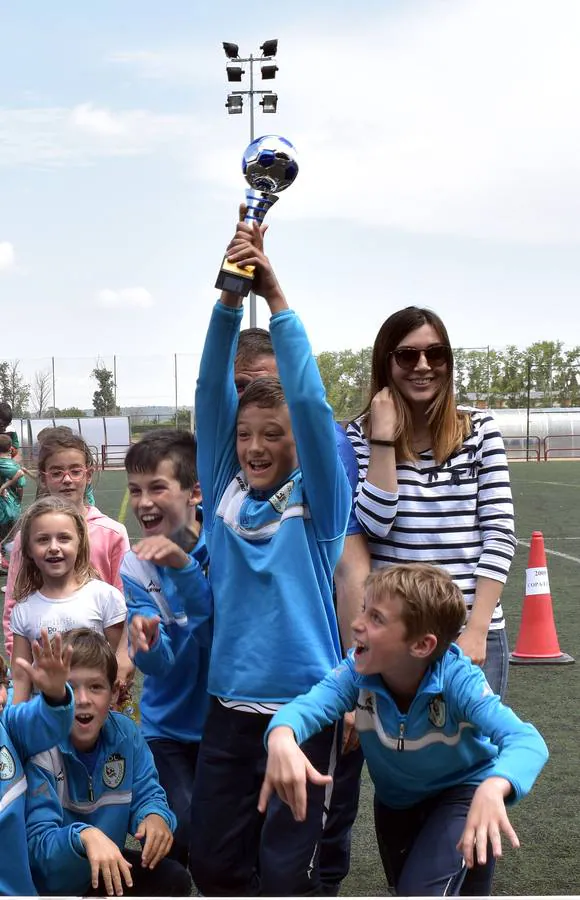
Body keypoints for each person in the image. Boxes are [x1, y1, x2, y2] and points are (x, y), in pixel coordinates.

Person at [189, 217, 351, 896]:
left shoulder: (319, 508)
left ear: (297, 444)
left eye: (273, 435)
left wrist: (277, 297)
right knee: (214, 865)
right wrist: (230, 297)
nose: (255, 446)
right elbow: (207, 393)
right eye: (246, 434)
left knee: (289, 875)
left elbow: (310, 403)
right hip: (228, 708)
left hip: (306, 710)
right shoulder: (225, 494)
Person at [259, 564, 549, 897]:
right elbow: (306, 707)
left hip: (464, 797)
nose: (357, 623)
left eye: (376, 618)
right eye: (364, 609)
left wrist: (494, 786)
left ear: (422, 646)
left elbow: (527, 740)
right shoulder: (356, 672)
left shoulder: (458, 680)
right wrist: (282, 735)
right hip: (396, 804)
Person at [234, 326, 368, 896]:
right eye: (241, 387)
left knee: (309, 837)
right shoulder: (236, 456)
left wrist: (349, 682)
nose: (253, 396)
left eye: (266, 383)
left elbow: (345, 565)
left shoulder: (322, 449)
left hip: (321, 669)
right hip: (245, 685)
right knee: (253, 838)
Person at [346, 307, 516, 697]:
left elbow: (500, 534)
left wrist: (475, 630)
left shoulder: (479, 431)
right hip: (394, 636)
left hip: (470, 635)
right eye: (407, 355)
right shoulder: (358, 436)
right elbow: (375, 523)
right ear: (386, 363)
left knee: (475, 758)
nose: (423, 366)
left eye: (435, 354)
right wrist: (384, 439)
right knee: (397, 756)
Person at [25, 628, 192, 897]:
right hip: (51, 885)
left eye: (95, 687)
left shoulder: (126, 735)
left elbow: (148, 793)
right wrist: (84, 837)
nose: (82, 700)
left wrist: (154, 816)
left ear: (114, 693)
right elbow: (37, 845)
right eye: (69, 688)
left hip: (105, 871)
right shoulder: (40, 746)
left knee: (174, 879)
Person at [122, 428, 212, 867]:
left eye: (157, 487)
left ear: (195, 491)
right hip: (166, 729)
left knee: (231, 845)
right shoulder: (134, 562)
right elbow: (157, 667)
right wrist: (146, 643)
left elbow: (217, 636)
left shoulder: (225, 542)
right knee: (184, 833)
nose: (143, 502)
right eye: (135, 490)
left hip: (226, 720)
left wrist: (184, 567)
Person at [3, 430, 132, 688]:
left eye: (75, 471)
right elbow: (13, 605)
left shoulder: (112, 533)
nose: (67, 480)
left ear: (88, 474)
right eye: (57, 472)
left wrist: (121, 657)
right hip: (45, 675)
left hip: (96, 673)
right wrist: (20, 662)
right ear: (43, 478)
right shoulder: (25, 537)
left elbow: (125, 602)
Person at [9, 496, 127, 703]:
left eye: (64, 538)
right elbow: (21, 676)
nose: (54, 547)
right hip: (47, 719)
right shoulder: (24, 610)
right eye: (43, 539)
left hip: (95, 715)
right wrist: (17, 722)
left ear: (80, 541)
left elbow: (121, 661)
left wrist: (115, 702)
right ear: (28, 549)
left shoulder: (104, 597)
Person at [0, 628, 74, 896]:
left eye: (1, 684)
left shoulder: (8, 727)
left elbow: (46, 724)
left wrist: (55, 696)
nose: (1, 698)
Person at [0, 432, 25, 553]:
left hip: (3, 509)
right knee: (11, 538)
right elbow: (20, 487)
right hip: (12, 508)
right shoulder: (15, 467)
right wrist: (19, 500)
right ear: (10, 449)